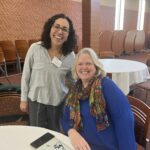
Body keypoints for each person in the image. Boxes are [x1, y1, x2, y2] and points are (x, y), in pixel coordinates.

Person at [61, 48, 137, 150]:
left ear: (96, 66)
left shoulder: (106, 86)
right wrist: (71, 131)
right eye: (80, 64)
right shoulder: (74, 90)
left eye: (88, 63)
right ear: (75, 68)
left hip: (105, 146)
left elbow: (124, 120)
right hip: (81, 145)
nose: (84, 67)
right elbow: (65, 118)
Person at [20, 13, 77, 131]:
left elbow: (73, 80)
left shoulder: (70, 55)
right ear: (50, 28)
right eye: (57, 26)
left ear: (68, 35)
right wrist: (23, 99)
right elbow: (26, 76)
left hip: (57, 102)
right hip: (36, 101)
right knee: (36, 133)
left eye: (65, 29)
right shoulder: (35, 48)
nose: (60, 31)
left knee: (56, 133)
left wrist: (74, 99)